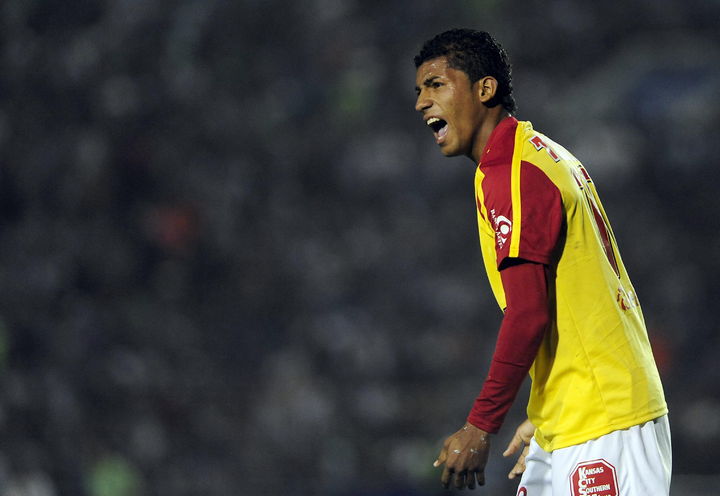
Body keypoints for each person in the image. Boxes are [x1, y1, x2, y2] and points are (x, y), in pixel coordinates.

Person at [413, 29, 671, 495]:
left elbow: (528, 312)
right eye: (419, 90)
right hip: (573, 416)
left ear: (484, 89)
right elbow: (574, 292)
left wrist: (480, 424)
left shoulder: (515, 172)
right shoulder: (531, 156)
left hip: (605, 419)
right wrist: (547, 407)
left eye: (436, 85)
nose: (421, 102)